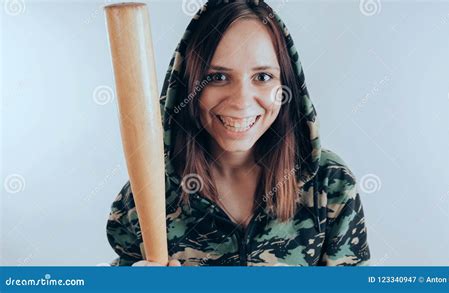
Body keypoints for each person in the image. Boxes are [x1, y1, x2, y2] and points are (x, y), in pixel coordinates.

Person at [106, 0, 370, 266]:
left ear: (287, 85)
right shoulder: (143, 196)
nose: (242, 101)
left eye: (263, 77)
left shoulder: (330, 184)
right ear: (188, 87)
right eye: (217, 77)